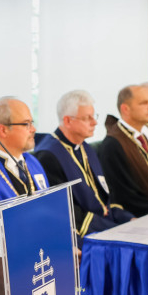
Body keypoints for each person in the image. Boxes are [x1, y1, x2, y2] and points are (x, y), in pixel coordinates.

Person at [33, 90, 134, 239]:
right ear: (68, 121)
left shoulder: (84, 147)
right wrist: (116, 230)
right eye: (87, 118)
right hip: (84, 232)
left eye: (94, 116)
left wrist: (127, 219)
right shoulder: (48, 155)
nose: (95, 122)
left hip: (104, 222)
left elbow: (105, 195)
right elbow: (64, 210)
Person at [98, 85, 148, 217]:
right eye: (144, 103)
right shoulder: (113, 144)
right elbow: (125, 195)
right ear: (125, 109)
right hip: (145, 216)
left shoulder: (140, 136)